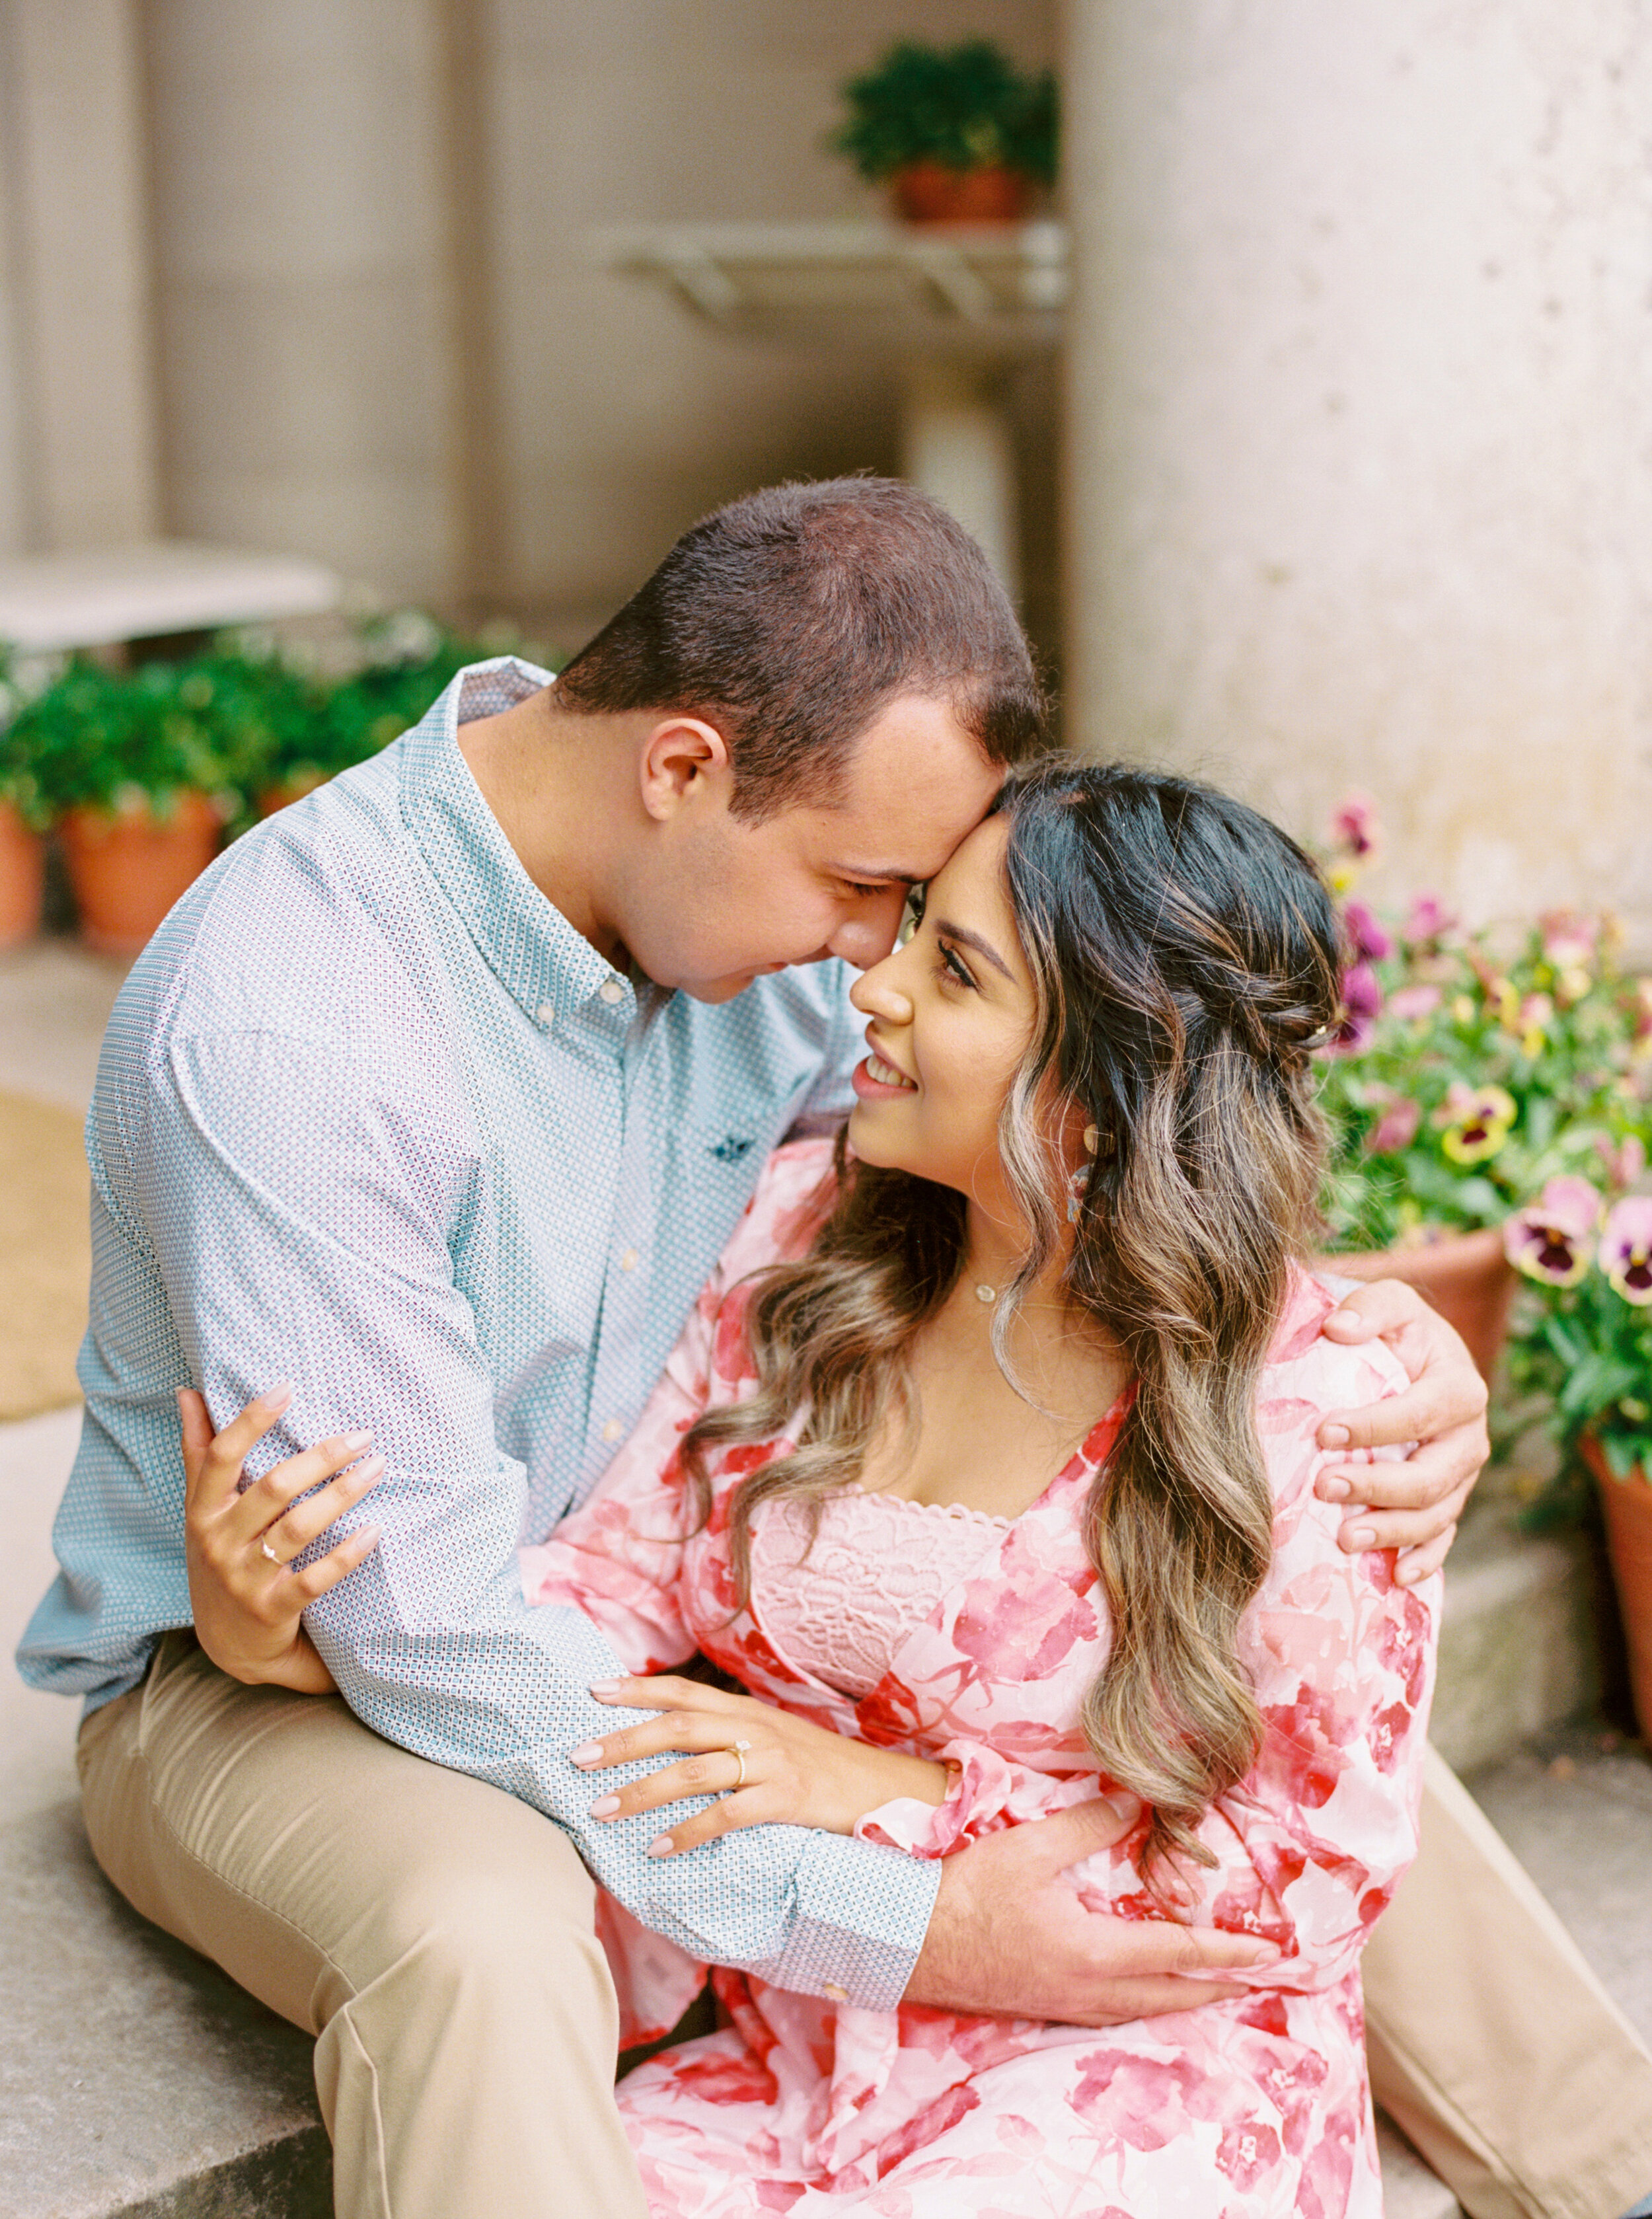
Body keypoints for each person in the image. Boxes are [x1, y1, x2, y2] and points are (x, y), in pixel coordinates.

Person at [17, 480, 1511, 2219]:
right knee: (486, 1935)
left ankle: (1587, 2157)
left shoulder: (759, 911)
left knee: (1259, 1683)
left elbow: (1062, 1126)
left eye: (916, 922)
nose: (873, 964)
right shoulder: (302, 1024)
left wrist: (1331, 1340)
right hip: (298, 1657)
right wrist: (913, 1901)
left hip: (649, 1610)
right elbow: (419, 1619)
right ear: (681, 768)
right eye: (868, 891)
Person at [186, 760, 1437, 2212]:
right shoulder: (799, 1241)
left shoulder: (1326, 1405)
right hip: (794, 2046)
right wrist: (311, 1624)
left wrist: (890, 1798)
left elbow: (1301, 1873)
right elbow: (606, 1580)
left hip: (1137, 2074)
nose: (873, 988)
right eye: (908, 928)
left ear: (1105, 1086)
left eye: (953, 969)